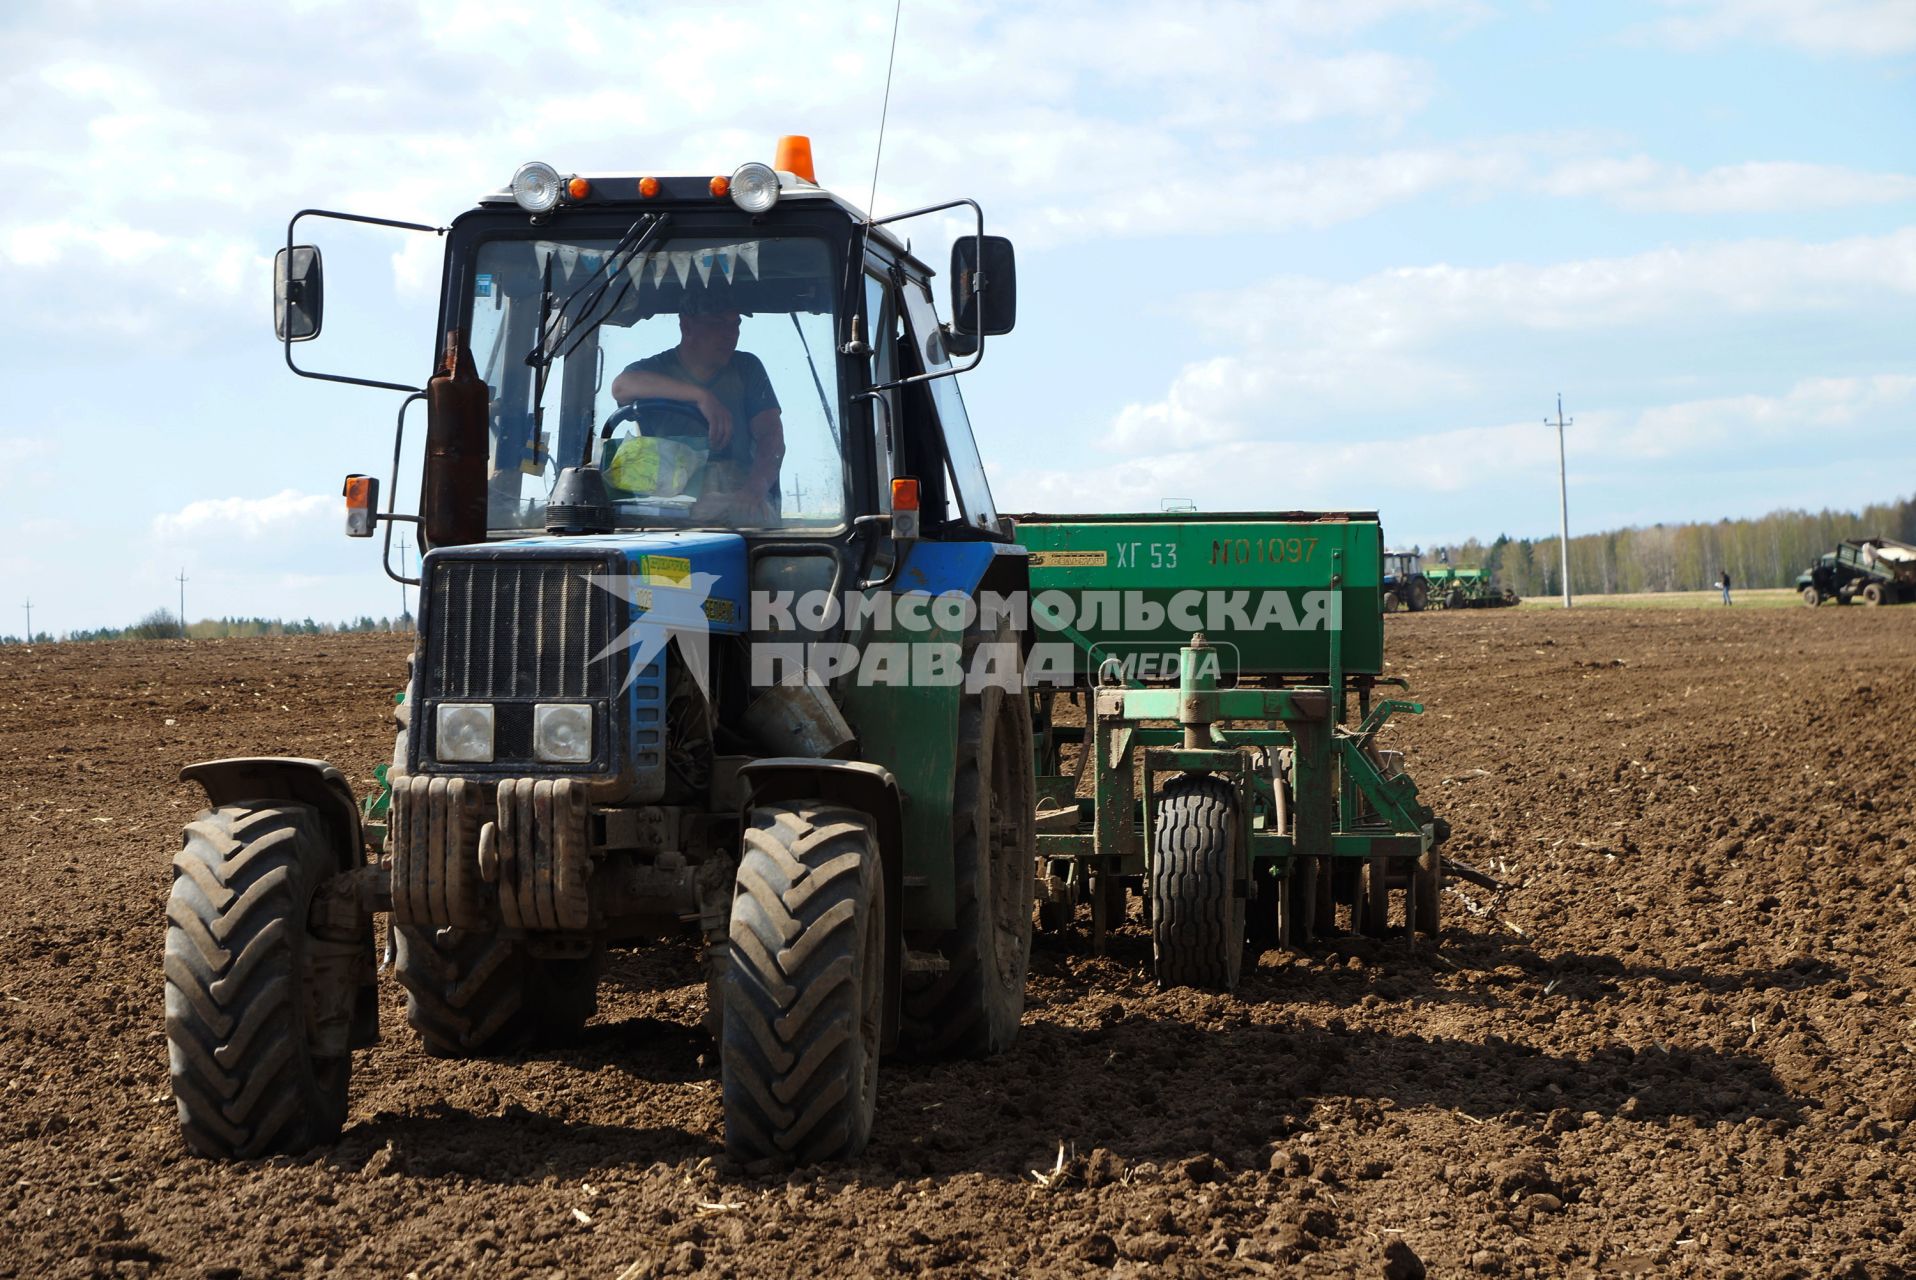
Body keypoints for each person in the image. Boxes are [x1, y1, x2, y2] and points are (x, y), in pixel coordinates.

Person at [609, 292, 786, 523]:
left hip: (736, 498)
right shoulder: (653, 370)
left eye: (735, 324)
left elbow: (770, 436)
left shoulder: (746, 368)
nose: (730, 335)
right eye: (717, 324)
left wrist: (753, 491)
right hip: (665, 502)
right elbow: (621, 387)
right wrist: (701, 396)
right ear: (687, 327)